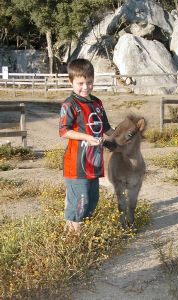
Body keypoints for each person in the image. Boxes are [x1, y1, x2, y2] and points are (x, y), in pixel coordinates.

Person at [59, 58, 114, 234]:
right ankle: (74, 238)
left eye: (89, 82)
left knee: (92, 200)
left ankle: (77, 233)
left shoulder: (97, 103)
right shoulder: (70, 104)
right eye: (80, 83)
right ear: (71, 82)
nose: (85, 87)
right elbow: (64, 131)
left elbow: (106, 128)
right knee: (80, 202)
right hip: (76, 164)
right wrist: (87, 137)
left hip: (94, 162)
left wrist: (121, 137)